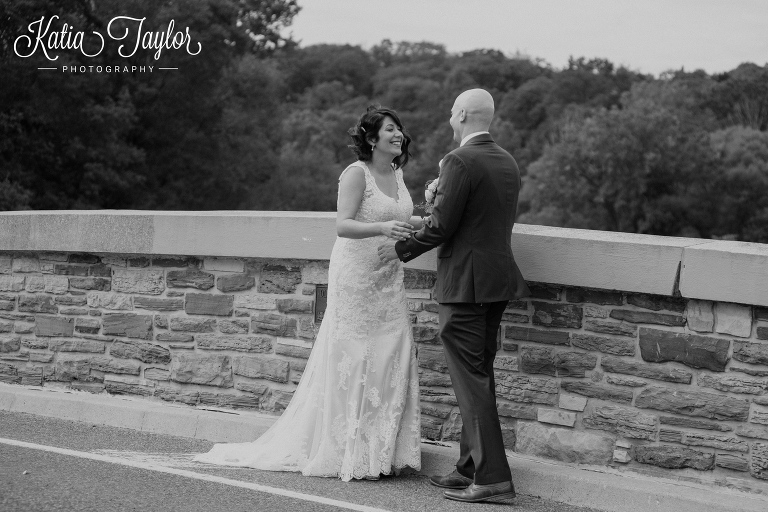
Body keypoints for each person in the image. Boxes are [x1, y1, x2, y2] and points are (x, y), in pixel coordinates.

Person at [195, 106, 423, 481]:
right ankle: (346, 449)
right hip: (356, 275)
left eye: (399, 129)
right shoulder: (356, 174)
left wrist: (424, 222)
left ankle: (380, 450)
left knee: (389, 355)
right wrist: (383, 226)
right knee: (355, 355)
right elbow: (344, 225)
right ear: (371, 138)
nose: (398, 134)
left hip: (388, 275)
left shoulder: (397, 174)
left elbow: (400, 216)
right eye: (390, 129)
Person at [378, 88, 530, 503]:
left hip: (466, 285)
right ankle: (469, 467)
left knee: (471, 380)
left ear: (462, 114)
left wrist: (398, 250)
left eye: (451, 111)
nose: (449, 116)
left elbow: (442, 226)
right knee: (478, 375)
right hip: (496, 283)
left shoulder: (459, 160)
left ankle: (494, 478)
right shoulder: (507, 160)